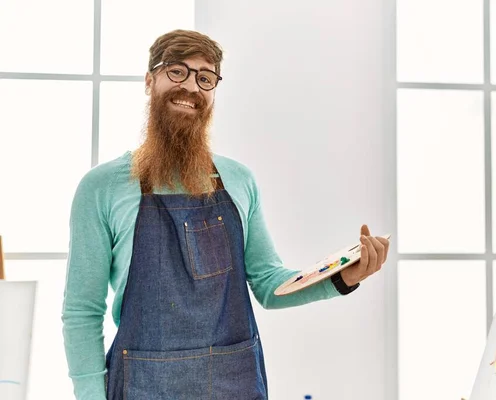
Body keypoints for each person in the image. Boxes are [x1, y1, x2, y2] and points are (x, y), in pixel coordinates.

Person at [61, 29, 390, 400]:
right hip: (142, 385)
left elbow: (269, 284)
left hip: (236, 382)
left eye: (205, 77)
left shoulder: (239, 180)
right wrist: (90, 395)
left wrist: (342, 276)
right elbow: (82, 311)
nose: (191, 86)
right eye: (177, 71)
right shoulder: (102, 187)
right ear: (149, 80)